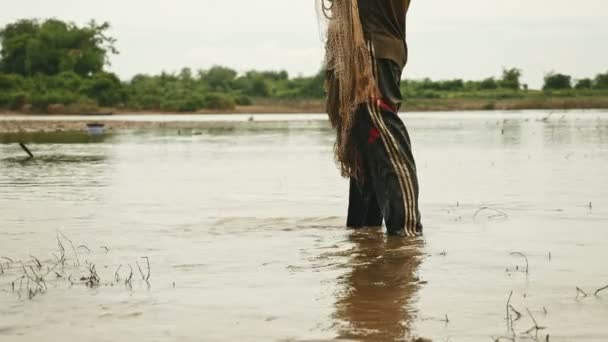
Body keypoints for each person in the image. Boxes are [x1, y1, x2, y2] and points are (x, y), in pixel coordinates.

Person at [322, 0, 422, 236]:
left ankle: (406, 236)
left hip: (370, 51)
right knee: (363, 147)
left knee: (381, 131)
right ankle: (365, 235)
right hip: (366, 50)